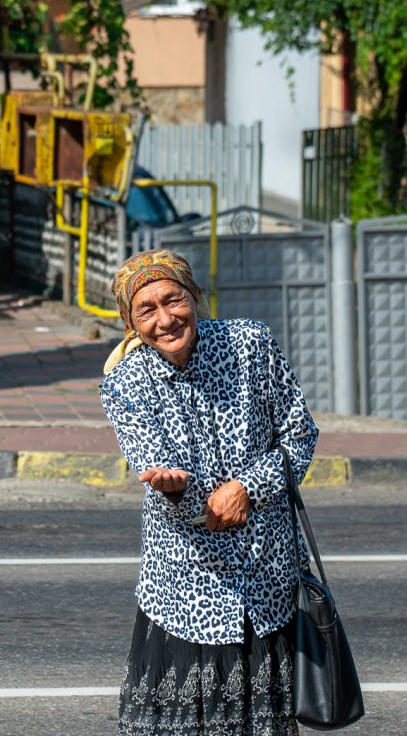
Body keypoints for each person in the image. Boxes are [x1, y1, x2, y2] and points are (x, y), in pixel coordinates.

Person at [98, 249, 318, 736]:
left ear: (195, 296)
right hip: (186, 584)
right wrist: (177, 494)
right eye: (146, 311)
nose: (165, 319)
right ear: (131, 324)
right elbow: (152, 472)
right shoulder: (125, 383)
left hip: (265, 579)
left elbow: (300, 435)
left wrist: (247, 488)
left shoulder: (250, 345)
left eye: (173, 300)